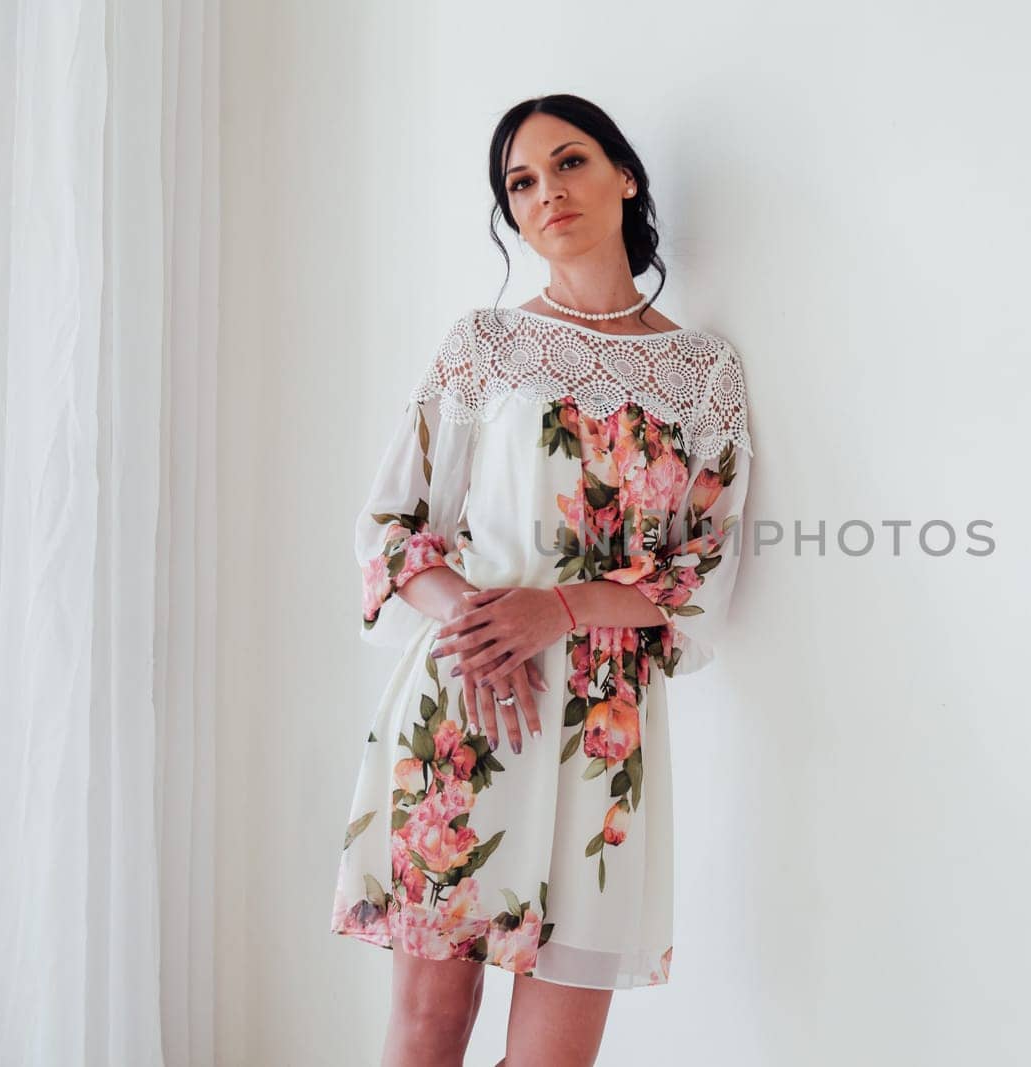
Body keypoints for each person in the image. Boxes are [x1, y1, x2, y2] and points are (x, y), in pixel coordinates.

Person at [328, 94, 754, 1066]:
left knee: (558, 1054)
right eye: (520, 181)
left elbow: (699, 567)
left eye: (569, 163)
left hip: (604, 723)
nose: (546, 192)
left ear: (625, 176)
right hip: (472, 692)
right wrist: (482, 620)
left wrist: (553, 607)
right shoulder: (486, 347)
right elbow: (390, 528)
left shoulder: (702, 371)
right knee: (431, 1025)